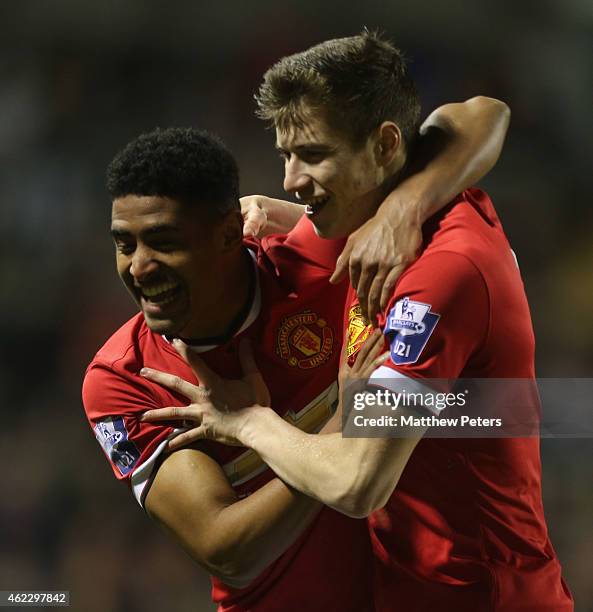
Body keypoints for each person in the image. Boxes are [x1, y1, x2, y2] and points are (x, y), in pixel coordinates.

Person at [141, 32, 573, 611]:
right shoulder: (415, 211)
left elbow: (357, 483)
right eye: (285, 156)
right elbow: (476, 116)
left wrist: (248, 423)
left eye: (314, 155)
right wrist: (370, 208)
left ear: (385, 145)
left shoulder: (440, 274)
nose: (291, 178)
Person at [83, 95, 509, 609]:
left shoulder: (314, 257)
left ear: (227, 233)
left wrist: (402, 207)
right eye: (124, 245)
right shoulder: (126, 377)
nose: (140, 267)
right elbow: (227, 549)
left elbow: (481, 115)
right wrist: (341, 421)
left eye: (163, 242)